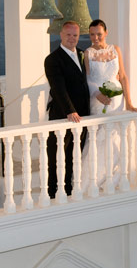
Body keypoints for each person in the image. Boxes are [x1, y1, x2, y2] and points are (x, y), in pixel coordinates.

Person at [81, 19, 137, 192]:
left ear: (106, 33)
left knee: (116, 137)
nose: (95, 38)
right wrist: (98, 95)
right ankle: (93, 181)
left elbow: (123, 76)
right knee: (99, 139)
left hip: (117, 101)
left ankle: (115, 179)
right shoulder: (88, 53)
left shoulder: (115, 50)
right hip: (98, 100)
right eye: (92, 34)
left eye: (99, 34)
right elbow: (88, 80)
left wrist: (128, 102)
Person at [44, 21, 90, 198]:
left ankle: (69, 188)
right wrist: (70, 110)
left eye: (75, 35)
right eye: (68, 35)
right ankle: (53, 191)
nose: (72, 38)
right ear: (61, 35)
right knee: (56, 155)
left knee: (74, 155)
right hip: (63, 115)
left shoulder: (81, 54)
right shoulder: (53, 59)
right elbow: (58, 88)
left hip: (82, 116)